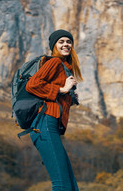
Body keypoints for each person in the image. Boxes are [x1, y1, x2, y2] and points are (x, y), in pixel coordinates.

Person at [26, 29, 83, 191]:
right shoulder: (54, 62)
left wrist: (69, 96)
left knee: (72, 187)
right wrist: (62, 89)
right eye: (61, 41)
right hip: (44, 125)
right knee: (62, 185)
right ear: (54, 46)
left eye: (69, 41)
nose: (66, 44)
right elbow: (33, 85)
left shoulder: (65, 68)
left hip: (50, 127)